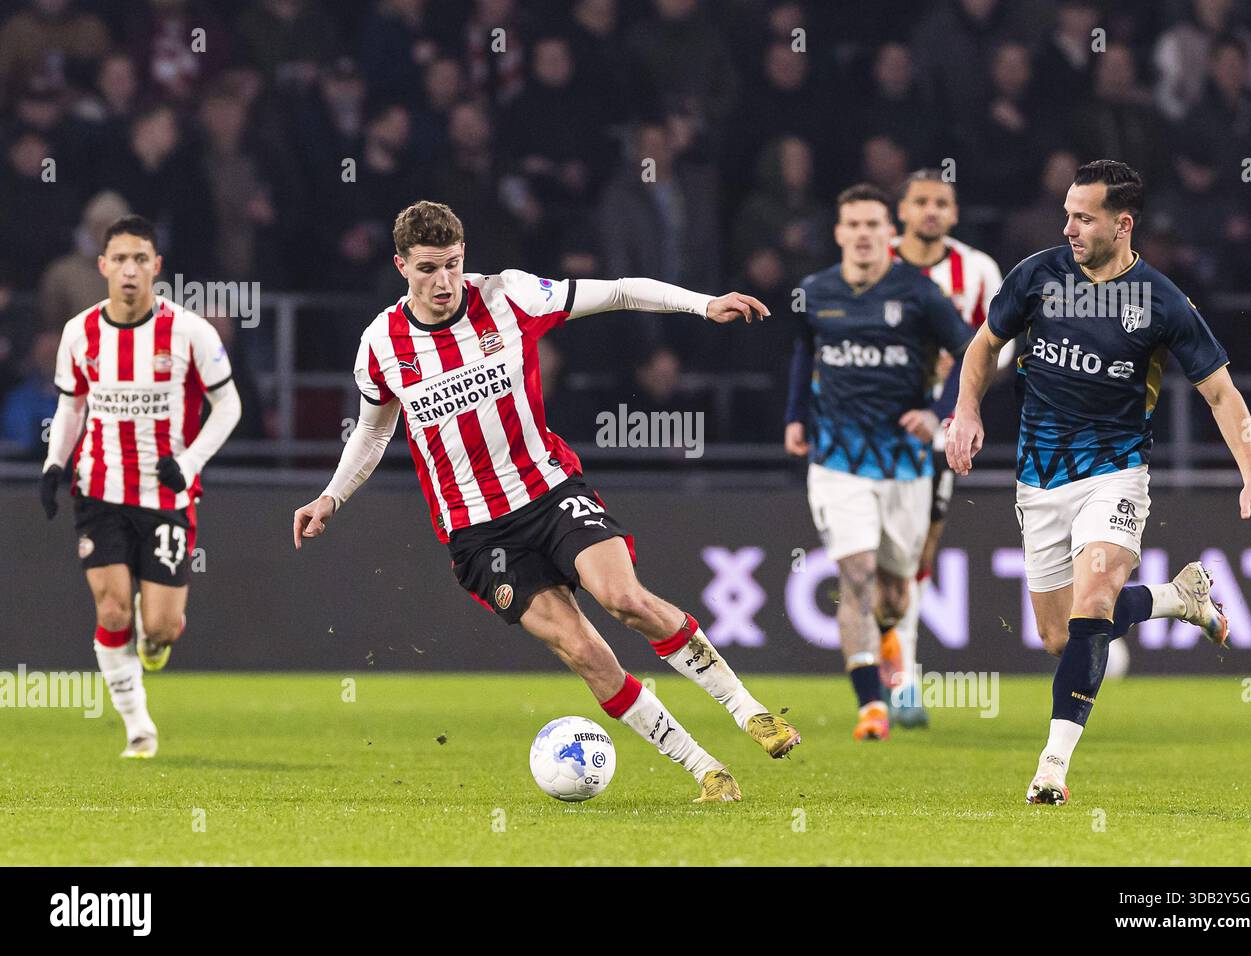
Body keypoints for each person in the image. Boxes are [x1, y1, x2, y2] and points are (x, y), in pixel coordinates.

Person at [293, 201, 799, 803]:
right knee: (583, 649)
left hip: (548, 490)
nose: (443, 282)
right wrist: (331, 496)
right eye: (428, 268)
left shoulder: (509, 296)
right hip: (480, 535)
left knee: (624, 599)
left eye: (453, 265)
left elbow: (617, 292)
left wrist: (702, 304)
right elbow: (375, 431)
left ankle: (749, 712)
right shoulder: (380, 343)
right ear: (401, 265)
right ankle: (704, 770)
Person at [946, 160, 1251, 804]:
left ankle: (1051, 768)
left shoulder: (1161, 301)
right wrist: (965, 411)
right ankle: (1179, 599)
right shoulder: (1038, 276)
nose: (1068, 227)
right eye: (1067, 214)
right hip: (1040, 479)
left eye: (1083, 217)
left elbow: (1223, 396)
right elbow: (983, 346)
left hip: (1117, 472)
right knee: (1056, 634)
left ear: (1122, 225)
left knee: (1093, 599)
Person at [40, 215, 243, 758]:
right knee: (111, 613)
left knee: (159, 628)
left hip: (167, 498)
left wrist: (192, 460)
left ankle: (155, 638)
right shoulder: (79, 332)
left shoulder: (189, 332)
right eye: (120, 259)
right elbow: (71, 405)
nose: (130, 270)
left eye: (140, 259)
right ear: (103, 266)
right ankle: (138, 727)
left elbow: (230, 404)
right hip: (99, 492)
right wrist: (53, 465)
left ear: (156, 267)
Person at [784, 183, 972, 742]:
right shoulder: (814, 292)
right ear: (840, 232)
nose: (864, 234)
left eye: (873, 225)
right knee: (856, 573)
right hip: (836, 461)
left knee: (894, 589)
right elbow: (803, 352)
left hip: (905, 465)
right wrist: (795, 416)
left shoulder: (918, 292)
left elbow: (969, 350)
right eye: (854, 225)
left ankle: (889, 637)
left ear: (889, 233)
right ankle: (871, 706)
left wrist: (937, 410)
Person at [883, 169, 1005, 727]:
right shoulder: (874, 259)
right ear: (902, 210)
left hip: (940, 431)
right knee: (881, 553)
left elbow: (1001, 348)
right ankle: (896, 676)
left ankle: (896, 669)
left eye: (942, 202)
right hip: (873, 429)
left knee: (919, 553)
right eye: (921, 202)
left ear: (953, 213)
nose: (931, 211)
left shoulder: (977, 270)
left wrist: (957, 394)